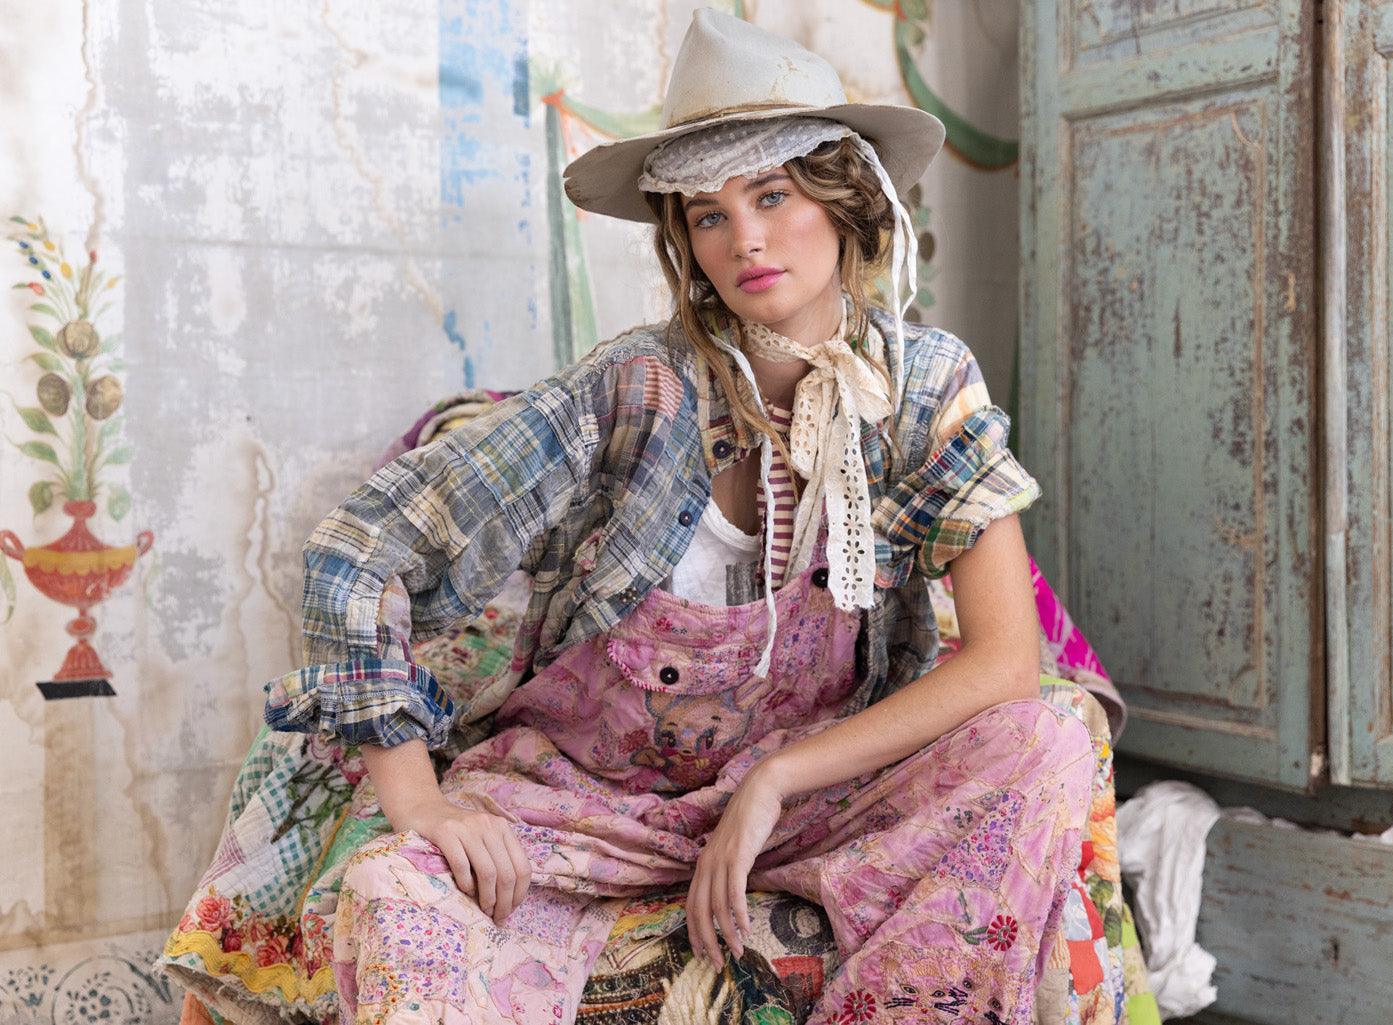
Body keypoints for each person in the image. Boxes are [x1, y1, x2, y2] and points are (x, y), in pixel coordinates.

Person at [192, 10, 1099, 1024]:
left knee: (1051, 737)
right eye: (708, 214)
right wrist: (421, 801)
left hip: (804, 805)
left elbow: (1004, 663)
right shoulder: (634, 387)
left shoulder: (927, 387)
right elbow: (357, 550)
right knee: (390, 888)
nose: (745, 238)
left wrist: (773, 781)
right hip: (591, 803)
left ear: (843, 199)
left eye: (772, 193)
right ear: (683, 239)